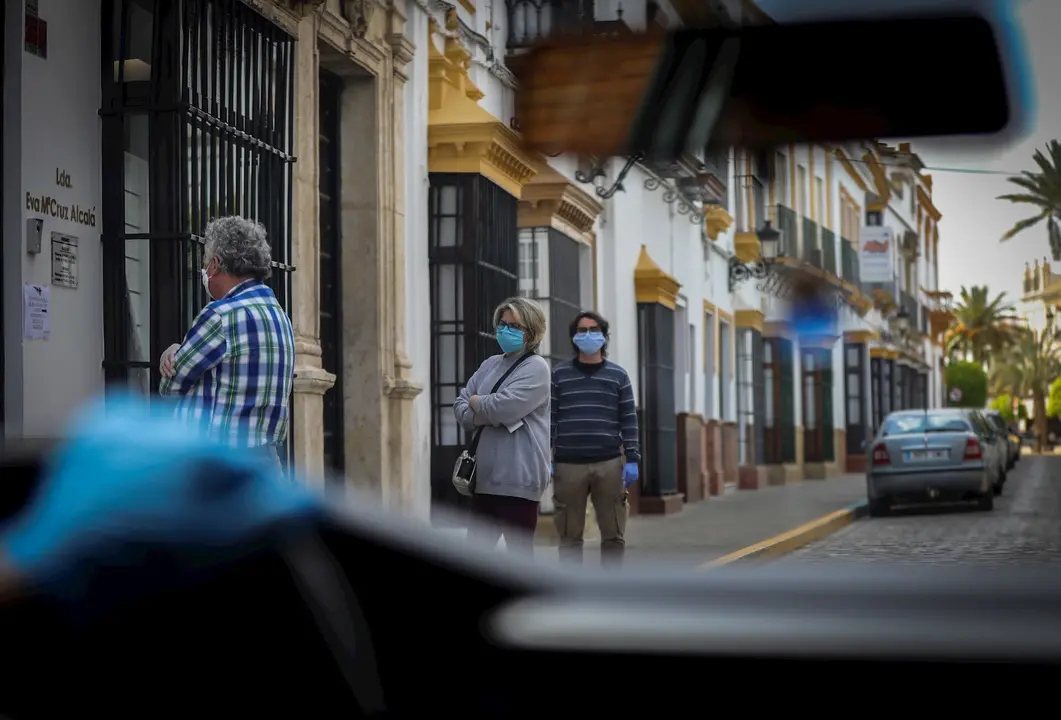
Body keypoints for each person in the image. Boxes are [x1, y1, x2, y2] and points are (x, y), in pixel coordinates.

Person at [158, 216, 295, 473]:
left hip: (218, 464)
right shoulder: (280, 317)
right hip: (266, 462)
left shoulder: (221, 316)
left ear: (215, 265)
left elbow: (170, 385)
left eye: (205, 261)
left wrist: (174, 351)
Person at [453, 297, 551, 554]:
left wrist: (476, 402)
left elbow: (503, 409)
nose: (506, 330)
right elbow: (460, 408)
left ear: (532, 331)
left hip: (519, 481)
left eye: (515, 326)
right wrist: (480, 407)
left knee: (518, 561)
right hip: (484, 479)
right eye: (503, 324)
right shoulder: (490, 365)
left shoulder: (536, 368)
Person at [550, 310, 640, 566]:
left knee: (613, 536)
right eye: (582, 330)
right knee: (569, 537)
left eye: (594, 330)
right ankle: (572, 592)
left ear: (604, 336)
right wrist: (546, 456)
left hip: (609, 464)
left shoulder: (618, 376)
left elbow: (629, 419)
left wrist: (632, 458)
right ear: (573, 337)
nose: (588, 335)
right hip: (568, 465)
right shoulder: (559, 375)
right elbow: (550, 420)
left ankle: (611, 592)